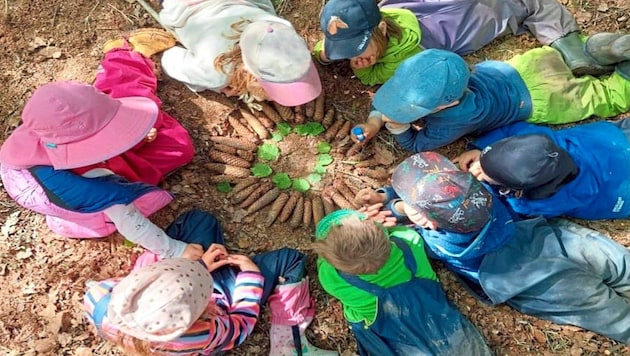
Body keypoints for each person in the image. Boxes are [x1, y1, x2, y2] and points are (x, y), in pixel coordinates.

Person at [355, 152, 630, 345]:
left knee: (607, 313)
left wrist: (395, 206)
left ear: (425, 221)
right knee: (615, 262)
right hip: (543, 239)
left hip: (522, 280)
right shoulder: (482, 192)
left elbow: (410, 225)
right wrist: (401, 202)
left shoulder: (437, 242)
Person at [0, 30, 200, 259]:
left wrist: (131, 136)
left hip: (75, 171)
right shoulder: (93, 185)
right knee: (176, 149)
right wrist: (176, 250)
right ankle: (125, 62)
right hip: (79, 182)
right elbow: (131, 222)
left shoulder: (46, 128)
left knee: (158, 131)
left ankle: (125, 56)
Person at [84, 210, 339, 355]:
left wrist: (200, 266)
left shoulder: (99, 299)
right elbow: (240, 325)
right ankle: (287, 341)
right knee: (290, 259)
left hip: (174, 287)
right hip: (225, 299)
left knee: (199, 221)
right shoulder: (202, 333)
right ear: (202, 311)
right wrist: (250, 276)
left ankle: (189, 271)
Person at [352, 42, 630, 151]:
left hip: (542, 99)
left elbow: (416, 145)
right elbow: (390, 99)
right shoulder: (423, 73)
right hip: (525, 67)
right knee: (567, 60)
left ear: (448, 104)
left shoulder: (460, 116)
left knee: (601, 97)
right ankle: (597, 51)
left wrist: (399, 127)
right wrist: (375, 121)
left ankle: (624, 75)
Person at [313, 210, 493, 355]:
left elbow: (324, 262)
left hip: (381, 320)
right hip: (427, 303)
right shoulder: (408, 239)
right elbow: (397, 230)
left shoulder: (330, 277)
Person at [314, 0, 609, 86]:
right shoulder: (388, 13)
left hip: (463, 26)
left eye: (357, 50)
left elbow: (373, 76)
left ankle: (572, 47)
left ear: (379, 29)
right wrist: (325, 54)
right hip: (429, 10)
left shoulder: (406, 59)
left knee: (527, 5)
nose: (352, 57)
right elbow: (332, 41)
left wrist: (361, 69)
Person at [452, 118, 630, 220]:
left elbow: (517, 210)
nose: (479, 169)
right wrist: (479, 149)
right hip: (612, 141)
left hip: (618, 187)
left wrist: (495, 191)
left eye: (486, 173)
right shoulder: (540, 141)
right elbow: (511, 129)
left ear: (517, 189)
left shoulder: (548, 200)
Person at [158, 0, 322, 107]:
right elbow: (169, 59)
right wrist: (218, 85)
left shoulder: (277, 28)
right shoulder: (216, 73)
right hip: (182, 7)